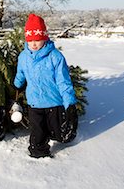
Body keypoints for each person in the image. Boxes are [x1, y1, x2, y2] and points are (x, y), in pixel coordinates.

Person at [14, 14, 78, 158]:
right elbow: (21, 73)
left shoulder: (55, 56)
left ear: (45, 37)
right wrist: (17, 84)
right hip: (34, 102)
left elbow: (63, 81)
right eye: (30, 40)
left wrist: (69, 103)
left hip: (54, 102)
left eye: (37, 39)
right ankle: (38, 151)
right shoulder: (23, 56)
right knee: (38, 131)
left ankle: (65, 135)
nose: (34, 44)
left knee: (59, 133)